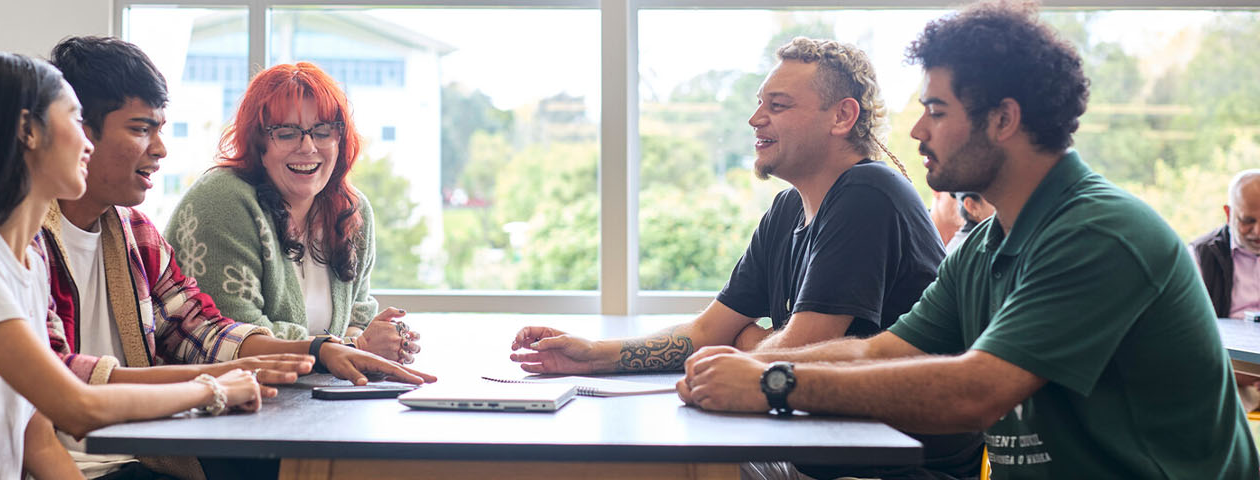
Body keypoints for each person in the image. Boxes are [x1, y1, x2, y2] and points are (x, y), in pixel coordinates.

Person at [678, 3, 1259, 477]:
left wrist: (773, 380)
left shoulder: (1098, 232)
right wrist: (749, 363)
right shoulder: (983, 249)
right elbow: (880, 351)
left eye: (936, 109)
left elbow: (976, 392)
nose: (915, 130)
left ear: (1002, 120)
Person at [511, 38, 979, 479]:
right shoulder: (788, 209)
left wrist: (752, 345)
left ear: (842, 117)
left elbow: (797, 353)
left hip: (886, 469)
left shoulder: (868, 193)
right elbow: (709, 332)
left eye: (777, 106)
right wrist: (591, 356)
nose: (755, 119)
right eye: (759, 104)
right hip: (819, 453)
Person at [0, 52, 269, 480]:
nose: (88, 144)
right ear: (27, 132)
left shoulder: (26, 267)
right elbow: (79, 407)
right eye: (76, 121)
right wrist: (211, 388)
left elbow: (37, 441)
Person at [45, 37, 435, 478]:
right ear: (75, 130)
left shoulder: (135, 232)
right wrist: (219, 381)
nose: (160, 149)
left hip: (141, 453)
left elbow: (203, 327)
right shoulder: (27, 241)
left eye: (323, 131)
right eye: (140, 129)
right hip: (87, 462)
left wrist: (321, 350)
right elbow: (64, 381)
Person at [163, 62, 422, 365]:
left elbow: (358, 315)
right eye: (286, 134)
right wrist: (358, 347)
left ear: (340, 140)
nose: (308, 146)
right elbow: (237, 340)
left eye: (323, 132)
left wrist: (382, 339)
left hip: (311, 404)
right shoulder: (222, 199)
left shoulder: (352, 209)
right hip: (223, 402)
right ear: (258, 144)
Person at [1192, 169, 1260, 320]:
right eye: (1248, 220)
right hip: (1224, 342)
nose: (1258, 231)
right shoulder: (1200, 256)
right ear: (1229, 214)